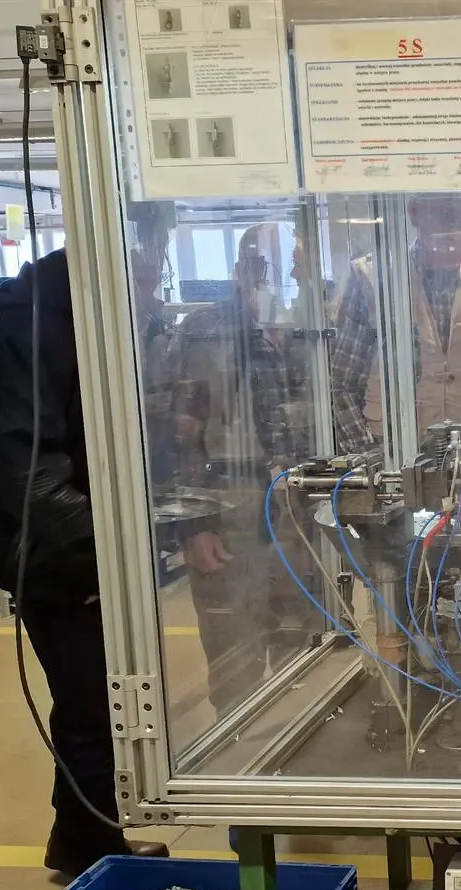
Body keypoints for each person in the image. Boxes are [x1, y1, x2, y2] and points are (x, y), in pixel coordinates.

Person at [0, 221, 172, 878]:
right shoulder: (37, 323)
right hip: (52, 555)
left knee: (96, 701)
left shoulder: (100, 317)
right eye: (144, 260)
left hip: (93, 545)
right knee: (92, 705)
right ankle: (92, 849)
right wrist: (102, 555)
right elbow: (28, 472)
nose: (152, 277)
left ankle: (78, 838)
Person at [165, 223, 318, 714]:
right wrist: (193, 527)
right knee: (235, 661)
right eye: (260, 267)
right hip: (229, 512)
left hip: (302, 515)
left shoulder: (312, 330)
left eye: (290, 267)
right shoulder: (206, 332)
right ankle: (239, 755)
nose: (272, 280)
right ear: (239, 271)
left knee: (307, 655)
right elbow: (179, 436)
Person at [327, 193, 461, 468]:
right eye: (446, 217)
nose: (455, 232)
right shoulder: (372, 278)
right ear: (414, 213)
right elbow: (343, 383)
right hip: (397, 458)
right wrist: (368, 457)